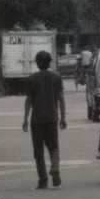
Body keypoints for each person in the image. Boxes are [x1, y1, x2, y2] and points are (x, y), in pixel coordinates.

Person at [21, 49, 66, 188]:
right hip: (52, 118)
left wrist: (25, 119)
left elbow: (28, 100)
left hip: (37, 120)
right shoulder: (56, 77)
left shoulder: (32, 79)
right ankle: (55, 168)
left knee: (38, 151)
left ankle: (43, 180)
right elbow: (61, 98)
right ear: (49, 62)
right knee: (54, 147)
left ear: (37, 63)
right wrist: (63, 117)